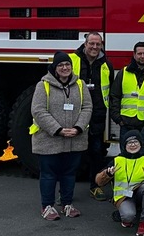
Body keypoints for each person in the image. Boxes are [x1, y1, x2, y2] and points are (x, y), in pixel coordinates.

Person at [31, 51, 93, 221]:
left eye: (67, 64)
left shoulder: (80, 84)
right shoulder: (43, 85)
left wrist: (78, 127)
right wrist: (58, 129)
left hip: (75, 139)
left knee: (69, 173)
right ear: (55, 68)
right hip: (48, 140)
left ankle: (67, 204)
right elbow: (38, 110)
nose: (65, 68)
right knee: (49, 174)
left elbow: (87, 107)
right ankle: (47, 206)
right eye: (61, 65)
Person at [69, 31, 115, 202]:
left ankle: (95, 187)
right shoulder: (71, 60)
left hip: (97, 115)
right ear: (85, 44)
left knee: (96, 152)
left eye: (98, 44)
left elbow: (110, 90)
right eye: (92, 43)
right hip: (75, 115)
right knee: (72, 154)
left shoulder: (106, 65)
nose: (95, 47)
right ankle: (65, 191)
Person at [95, 130, 144, 236]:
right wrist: (108, 174)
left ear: (140, 144)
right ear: (124, 145)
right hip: (124, 197)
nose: (133, 145)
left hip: (140, 194)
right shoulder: (116, 160)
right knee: (128, 217)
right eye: (130, 142)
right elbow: (99, 182)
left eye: (136, 142)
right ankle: (125, 214)